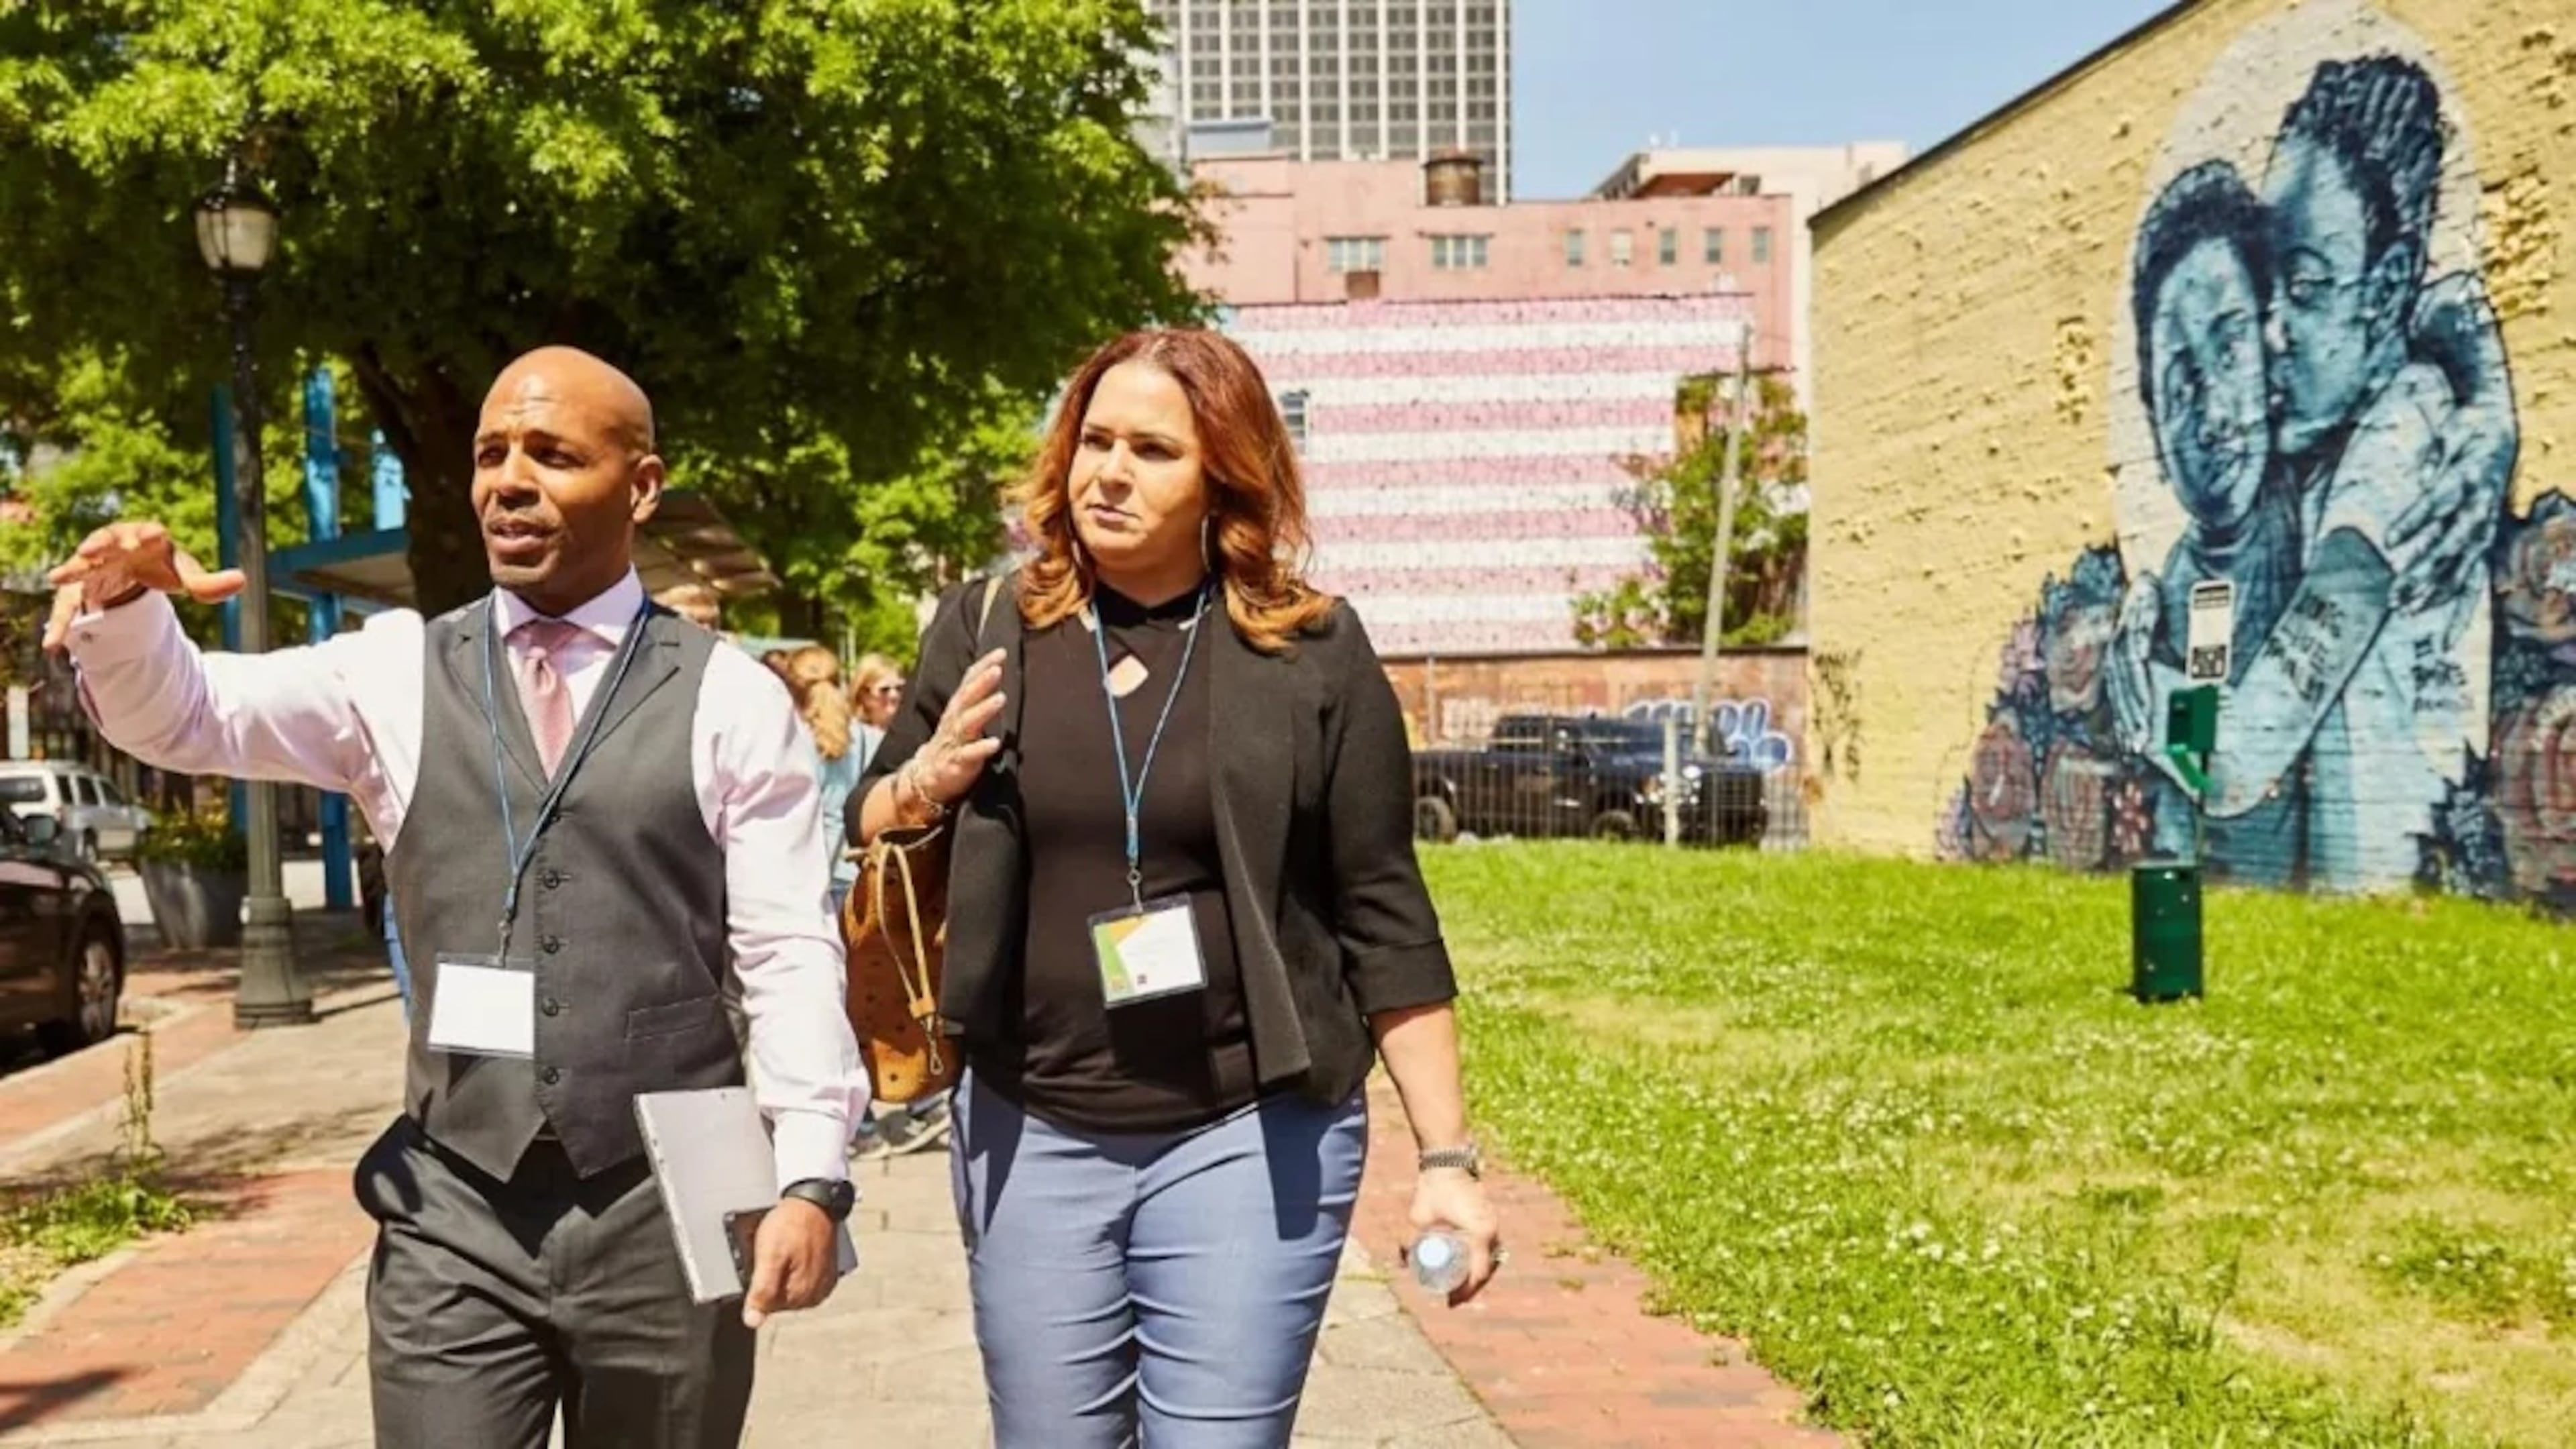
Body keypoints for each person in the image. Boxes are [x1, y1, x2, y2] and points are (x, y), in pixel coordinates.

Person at [46, 346, 866, 1449]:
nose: (508, 480)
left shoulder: (726, 695)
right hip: (453, 1209)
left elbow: (788, 950)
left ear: (643, 485)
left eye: (553, 454)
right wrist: (130, 604)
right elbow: (191, 714)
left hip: (670, 1200)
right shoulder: (392, 671)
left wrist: (812, 1174)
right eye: (491, 453)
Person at [852, 328, 1503, 1447]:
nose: (1109, 470)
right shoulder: (990, 624)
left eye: (1152, 448)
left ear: (1226, 475)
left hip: (1249, 1135)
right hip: (1031, 1121)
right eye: (1093, 440)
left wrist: (1446, 1159)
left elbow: (1381, 907)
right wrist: (924, 781)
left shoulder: (1309, 650)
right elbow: (872, 815)